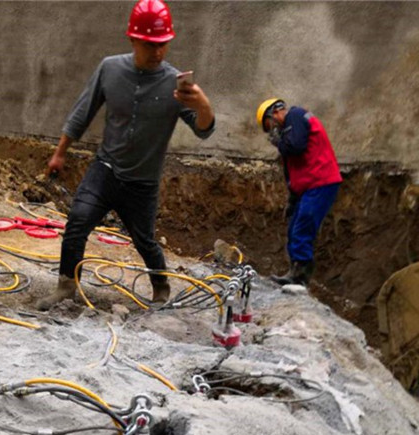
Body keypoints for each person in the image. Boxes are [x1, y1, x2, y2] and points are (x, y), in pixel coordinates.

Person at [37, 0, 215, 310]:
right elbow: (83, 112)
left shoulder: (176, 86)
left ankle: (161, 288)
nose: (157, 51)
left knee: (144, 240)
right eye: (149, 44)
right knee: (77, 221)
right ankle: (66, 286)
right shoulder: (110, 68)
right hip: (105, 170)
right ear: (132, 39)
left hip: (142, 183)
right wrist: (59, 154)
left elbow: (203, 130)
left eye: (162, 44)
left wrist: (202, 105)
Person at [256, 98, 341, 286]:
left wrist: (279, 142)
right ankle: (295, 271)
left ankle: (300, 276)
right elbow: (292, 172)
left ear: (275, 112)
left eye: (269, 125)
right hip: (310, 186)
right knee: (294, 227)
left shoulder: (295, 116)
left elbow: (296, 146)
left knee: (303, 226)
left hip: (321, 182)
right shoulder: (291, 130)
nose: (272, 131)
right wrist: (293, 199)